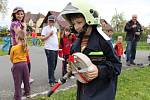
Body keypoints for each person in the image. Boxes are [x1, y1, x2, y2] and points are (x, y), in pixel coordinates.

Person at [60, 2, 122, 100]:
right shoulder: (76, 44)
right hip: (83, 92)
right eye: (74, 23)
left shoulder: (103, 41)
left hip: (102, 92)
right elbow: (72, 59)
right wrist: (71, 67)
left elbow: (116, 66)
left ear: (90, 20)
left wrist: (99, 70)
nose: (76, 27)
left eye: (79, 22)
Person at [10, 7, 34, 89]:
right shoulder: (15, 23)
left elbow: (24, 36)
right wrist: (25, 27)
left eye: (21, 14)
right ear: (14, 15)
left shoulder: (20, 23)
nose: (20, 15)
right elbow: (21, 35)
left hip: (23, 46)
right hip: (18, 47)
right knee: (20, 64)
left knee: (27, 63)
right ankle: (22, 82)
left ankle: (27, 79)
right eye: (18, 14)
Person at [10, 30, 30, 99]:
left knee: (17, 82)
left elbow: (11, 58)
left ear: (17, 37)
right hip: (25, 64)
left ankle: (17, 97)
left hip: (17, 65)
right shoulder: (26, 47)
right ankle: (27, 93)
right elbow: (27, 55)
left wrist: (14, 62)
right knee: (26, 80)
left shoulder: (14, 48)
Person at [41, 15, 59, 87]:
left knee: (54, 64)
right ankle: (51, 80)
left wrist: (58, 47)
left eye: (52, 21)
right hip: (49, 49)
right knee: (51, 65)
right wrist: (49, 35)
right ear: (48, 21)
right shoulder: (45, 28)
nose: (51, 22)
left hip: (55, 49)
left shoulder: (55, 28)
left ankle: (53, 78)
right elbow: (42, 39)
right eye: (50, 21)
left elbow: (55, 38)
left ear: (54, 21)